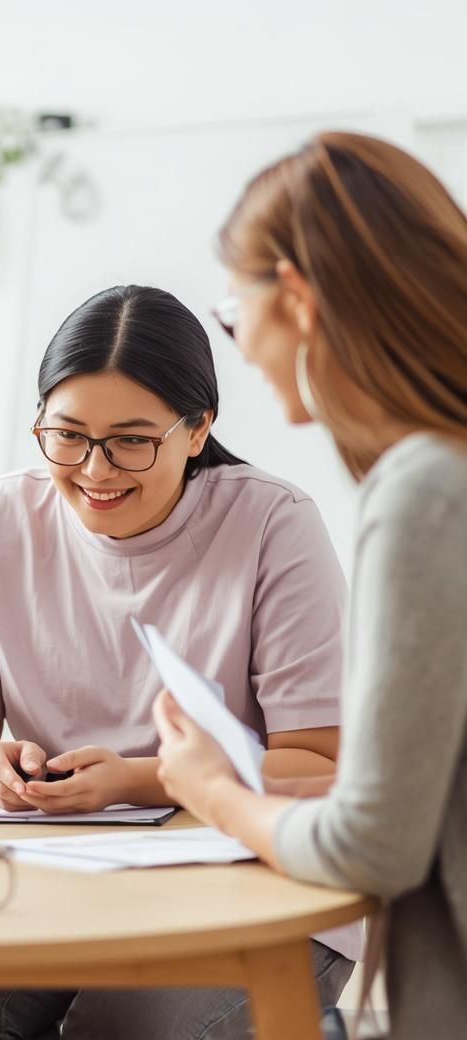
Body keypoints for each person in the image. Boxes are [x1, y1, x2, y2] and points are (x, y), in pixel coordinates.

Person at [0, 285, 358, 1038]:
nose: (95, 469)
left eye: (131, 440)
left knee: (124, 1026)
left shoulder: (274, 525)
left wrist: (137, 780)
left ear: (197, 430)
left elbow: (318, 762)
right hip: (69, 880)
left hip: (262, 882)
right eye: (67, 436)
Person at [154, 131, 467, 1040]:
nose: (238, 341)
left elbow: (371, 845)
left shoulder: (424, 492)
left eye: (231, 309)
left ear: (294, 296)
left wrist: (213, 791)